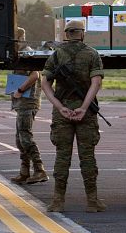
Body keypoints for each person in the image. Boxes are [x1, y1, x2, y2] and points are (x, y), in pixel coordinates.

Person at [40, 19, 106, 213]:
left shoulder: (57, 54)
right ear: (82, 34)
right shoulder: (92, 54)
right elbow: (96, 84)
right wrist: (85, 107)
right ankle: (92, 201)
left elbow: (45, 84)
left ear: (66, 34)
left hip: (63, 112)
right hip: (85, 112)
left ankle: (58, 201)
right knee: (87, 157)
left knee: (62, 157)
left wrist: (60, 107)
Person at [10, 27, 48, 185]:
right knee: (20, 139)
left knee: (25, 137)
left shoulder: (28, 53)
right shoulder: (20, 54)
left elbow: (35, 75)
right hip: (21, 103)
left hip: (28, 102)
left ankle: (40, 170)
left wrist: (20, 90)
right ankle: (24, 171)